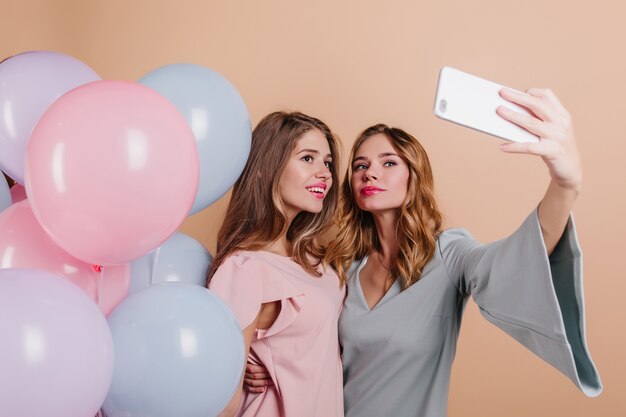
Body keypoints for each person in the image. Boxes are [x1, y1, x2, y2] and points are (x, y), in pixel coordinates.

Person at [245, 88, 602, 416]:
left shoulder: (449, 255)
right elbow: (310, 348)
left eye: (389, 163)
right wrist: (266, 362)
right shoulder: (341, 269)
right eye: (360, 166)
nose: (371, 173)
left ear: (413, 176)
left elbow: (513, 263)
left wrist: (565, 184)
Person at [207, 111, 345, 417]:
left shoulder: (318, 264)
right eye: (308, 158)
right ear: (267, 168)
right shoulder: (246, 268)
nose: (324, 173)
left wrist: (283, 366)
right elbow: (224, 403)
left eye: (327, 162)